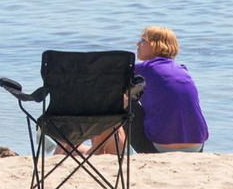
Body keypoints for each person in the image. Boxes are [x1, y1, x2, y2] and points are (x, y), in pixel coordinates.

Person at [80, 25, 208, 156]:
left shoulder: (146, 68)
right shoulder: (182, 69)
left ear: (155, 45)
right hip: (197, 146)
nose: (138, 43)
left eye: (142, 40)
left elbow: (104, 80)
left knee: (113, 99)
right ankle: (112, 149)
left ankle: (98, 149)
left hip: (160, 148)